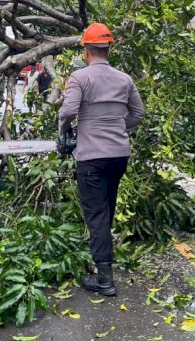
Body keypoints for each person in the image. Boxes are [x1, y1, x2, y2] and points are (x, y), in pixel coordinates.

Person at [59, 22, 145, 296]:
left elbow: (69, 109)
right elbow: (138, 114)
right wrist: (119, 129)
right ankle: (102, 261)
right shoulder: (125, 79)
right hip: (119, 155)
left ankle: (105, 280)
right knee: (105, 208)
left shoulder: (79, 77)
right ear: (108, 48)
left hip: (92, 158)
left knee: (96, 215)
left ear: (86, 50)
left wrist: (64, 130)